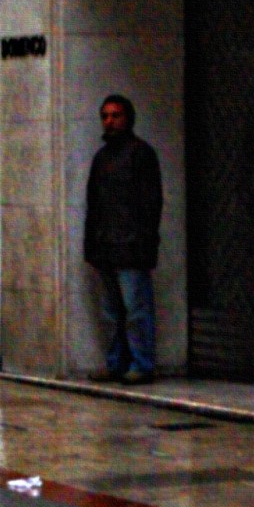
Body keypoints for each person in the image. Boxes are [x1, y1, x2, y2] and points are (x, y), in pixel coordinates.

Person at [85, 94, 162, 385]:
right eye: (105, 116)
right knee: (111, 313)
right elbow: (93, 205)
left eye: (115, 115)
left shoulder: (141, 154)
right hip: (106, 247)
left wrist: (144, 243)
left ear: (128, 118)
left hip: (130, 248)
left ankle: (142, 364)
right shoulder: (101, 159)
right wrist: (91, 245)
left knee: (135, 310)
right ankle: (117, 363)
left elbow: (151, 204)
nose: (110, 121)